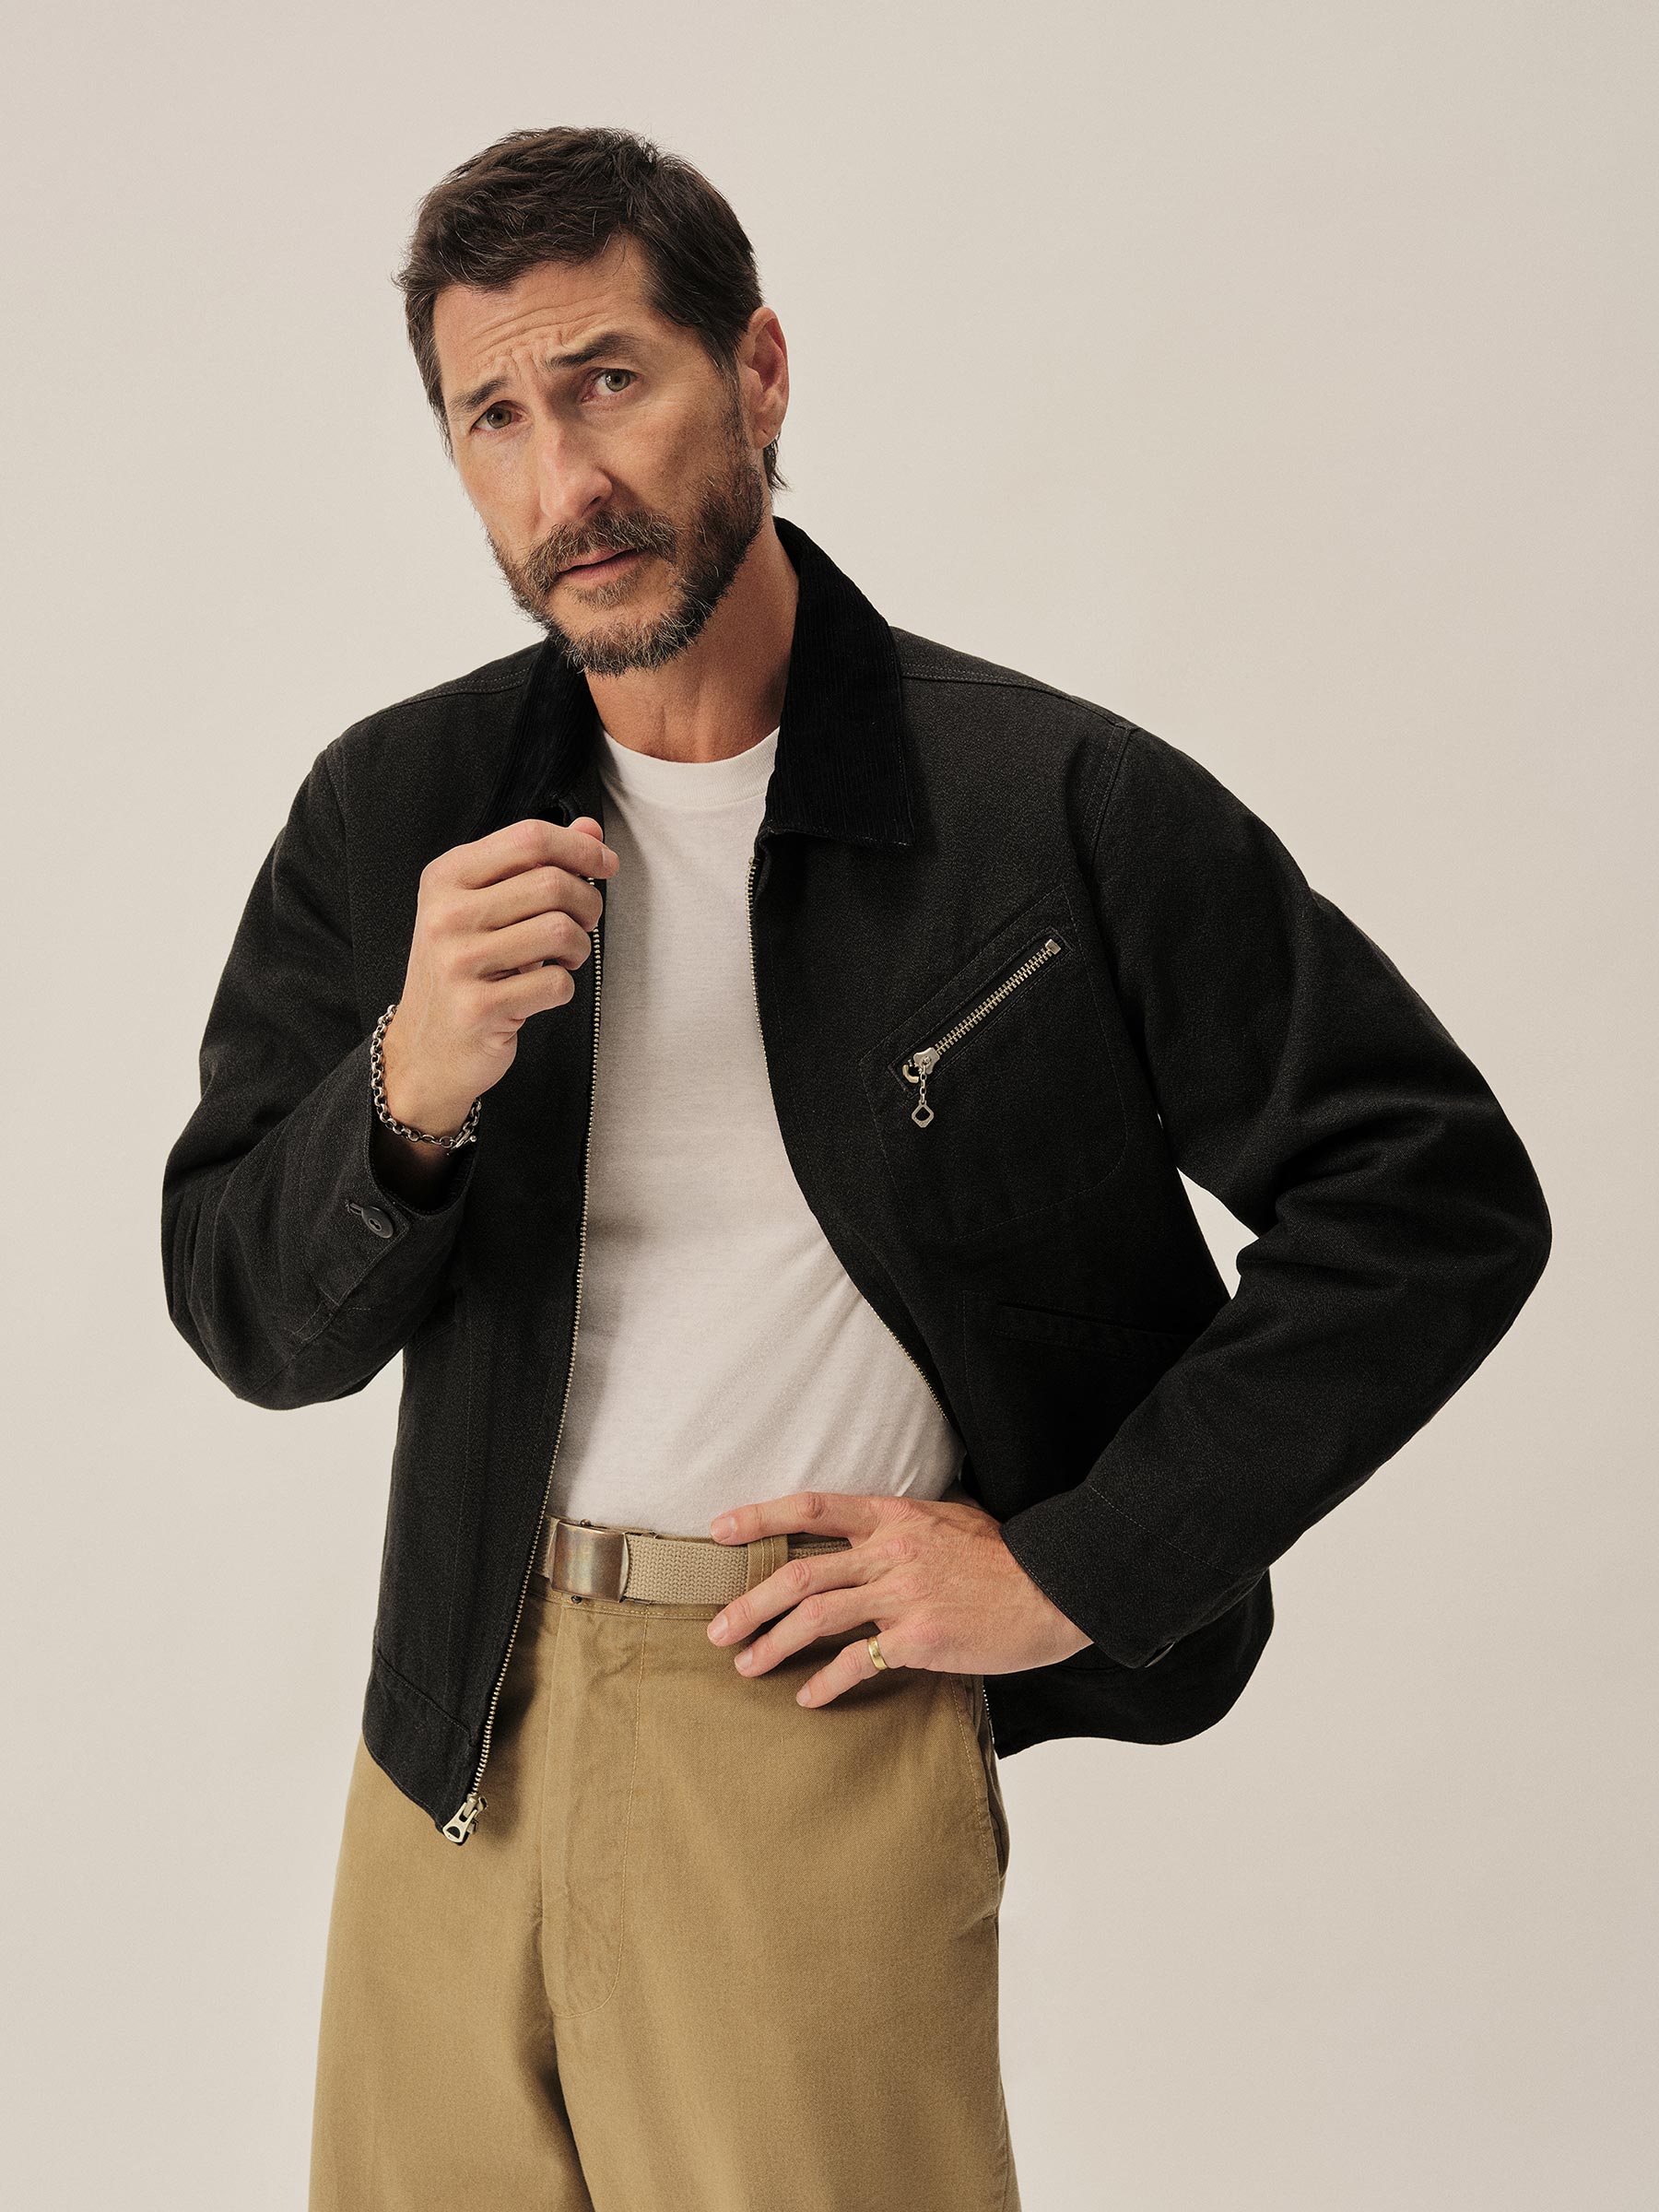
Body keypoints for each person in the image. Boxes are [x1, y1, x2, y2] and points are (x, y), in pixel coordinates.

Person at [159, 124, 1552, 2212]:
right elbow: (242, 1311)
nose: (565, 480)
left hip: (799, 1722)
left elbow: (1431, 1195)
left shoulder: (1045, 806)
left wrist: (1075, 1564)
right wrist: (405, 1090)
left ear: (759, 373)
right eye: (494, 420)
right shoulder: (399, 807)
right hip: (445, 1732)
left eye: (610, 379)